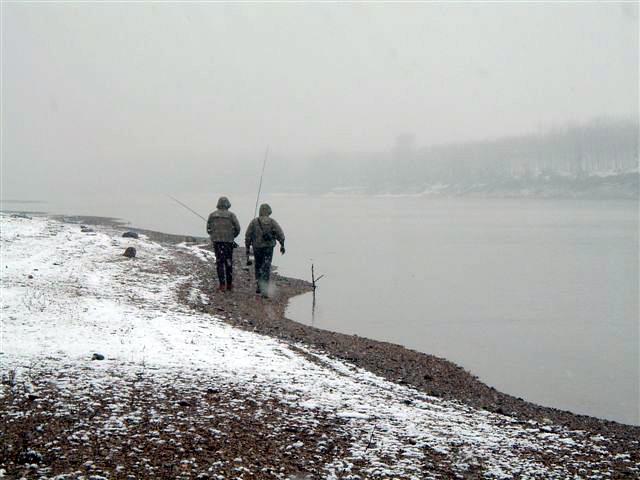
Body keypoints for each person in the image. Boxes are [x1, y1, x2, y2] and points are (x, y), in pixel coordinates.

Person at [245, 203, 285, 296]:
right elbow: (280, 234)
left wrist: (247, 247)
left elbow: (248, 235)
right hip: (268, 248)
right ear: (269, 211)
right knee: (266, 267)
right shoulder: (272, 222)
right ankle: (265, 290)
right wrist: (282, 245)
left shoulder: (254, 222)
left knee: (258, 266)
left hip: (257, 247)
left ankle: (259, 286)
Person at [206, 196, 241, 292]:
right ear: (228, 204)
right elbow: (238, 228)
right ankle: (229, 285)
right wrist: (233, 236)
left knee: (219, 262)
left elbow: (208, 229)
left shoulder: (212, 215)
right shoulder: (231, 215)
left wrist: (214, 235)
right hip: (228, 242)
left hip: (217, 241)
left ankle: (222, 285)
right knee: (228, 262)